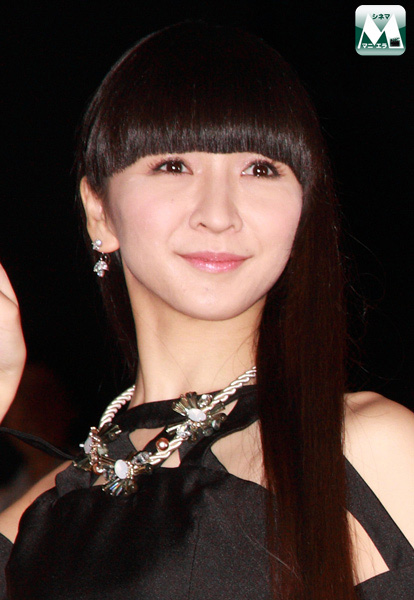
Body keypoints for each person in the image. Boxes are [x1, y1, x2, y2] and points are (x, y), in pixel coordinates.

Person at [0, 21, 413, 600]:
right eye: (173, 165)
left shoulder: (370, 448)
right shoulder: (31, 527)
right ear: (100, 212)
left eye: (261, 169)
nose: (218, 214)